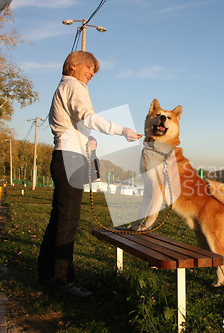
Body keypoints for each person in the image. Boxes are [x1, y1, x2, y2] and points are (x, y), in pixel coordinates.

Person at [37, 50, 140, 300]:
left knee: (59, 219)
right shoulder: (74, 85)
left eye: (94, 70)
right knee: (68, 221)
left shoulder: (64, 87)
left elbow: (75, 125)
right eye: (89, 67)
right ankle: (63, 281)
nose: (92, 73)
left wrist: (87, 141)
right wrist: (121, 130)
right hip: (69, 159)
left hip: (67, 156)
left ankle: (47, 274)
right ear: (72, 66)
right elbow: (88, 117)